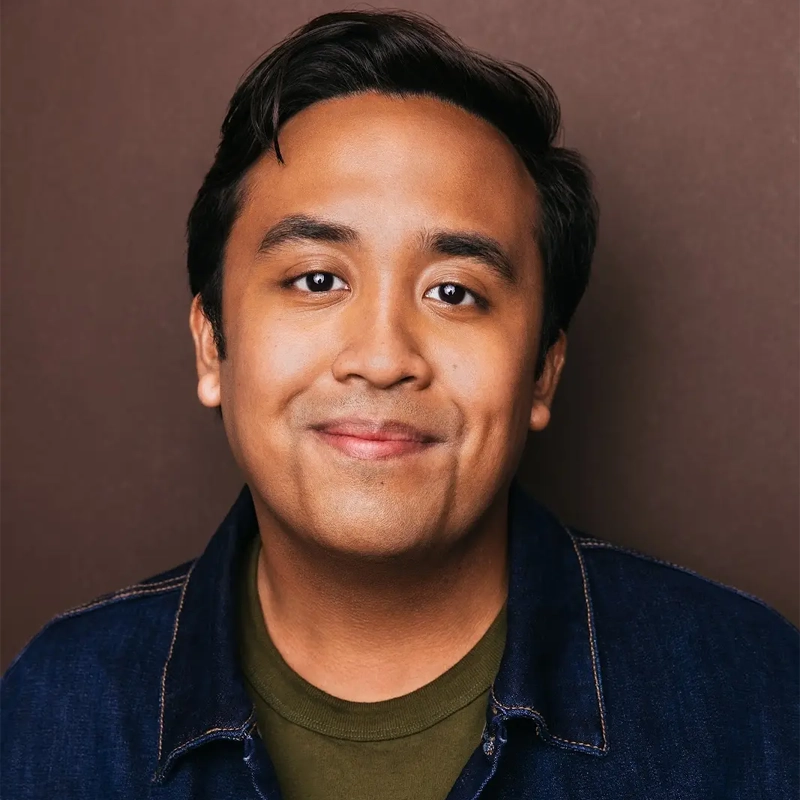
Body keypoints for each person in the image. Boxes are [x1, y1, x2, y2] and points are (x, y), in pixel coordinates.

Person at [2, 9, 797, 799]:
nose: (383, 359)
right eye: (318, 280)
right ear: (213, 345)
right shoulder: (55, 709)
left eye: (454, 292)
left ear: (543, 374)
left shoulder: (752, 699)